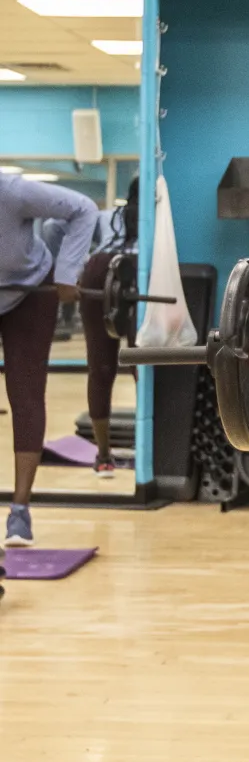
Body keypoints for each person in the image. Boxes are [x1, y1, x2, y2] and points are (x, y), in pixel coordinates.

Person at [0, 174, 99, 545]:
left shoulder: (13, 192)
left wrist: (67, 272)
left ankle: (20, 511)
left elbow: (83, 209)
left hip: (29, 291)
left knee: (25, 394)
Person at [77, 175, 139, 477]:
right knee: (143, 365)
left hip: (96, 268)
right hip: (135, 270)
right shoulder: (158, 218)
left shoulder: (107, 215)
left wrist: (68, 268)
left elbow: (51, 228)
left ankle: (103, 456)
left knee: (99, 367)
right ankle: (147, 446)